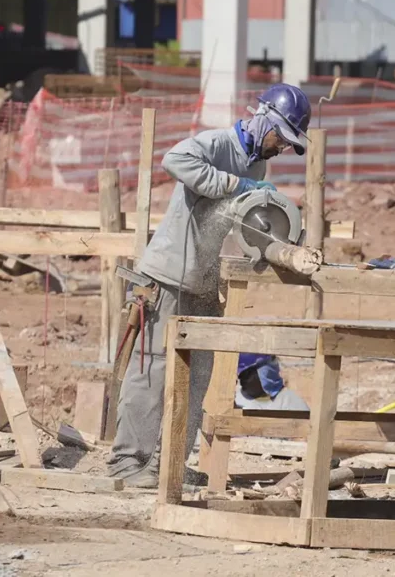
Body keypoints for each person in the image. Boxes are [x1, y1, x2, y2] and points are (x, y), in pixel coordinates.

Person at [107, 83, 312, 488]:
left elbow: (239, 226)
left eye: (289, 145)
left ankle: (169, 466)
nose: (281, 148)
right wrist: (239, 187)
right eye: (281, 139)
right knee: (152, 371)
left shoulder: (257, 166)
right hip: (168, 275)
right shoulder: (216, 144)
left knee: (198, 374)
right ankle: (127, 463)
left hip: (202, 282)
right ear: (263, 120)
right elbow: (174, 159)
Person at [235, 354, 309, 411]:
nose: (240, 378)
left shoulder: (290, 404)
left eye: (247, 374)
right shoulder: (238, 399)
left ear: (264, 372)